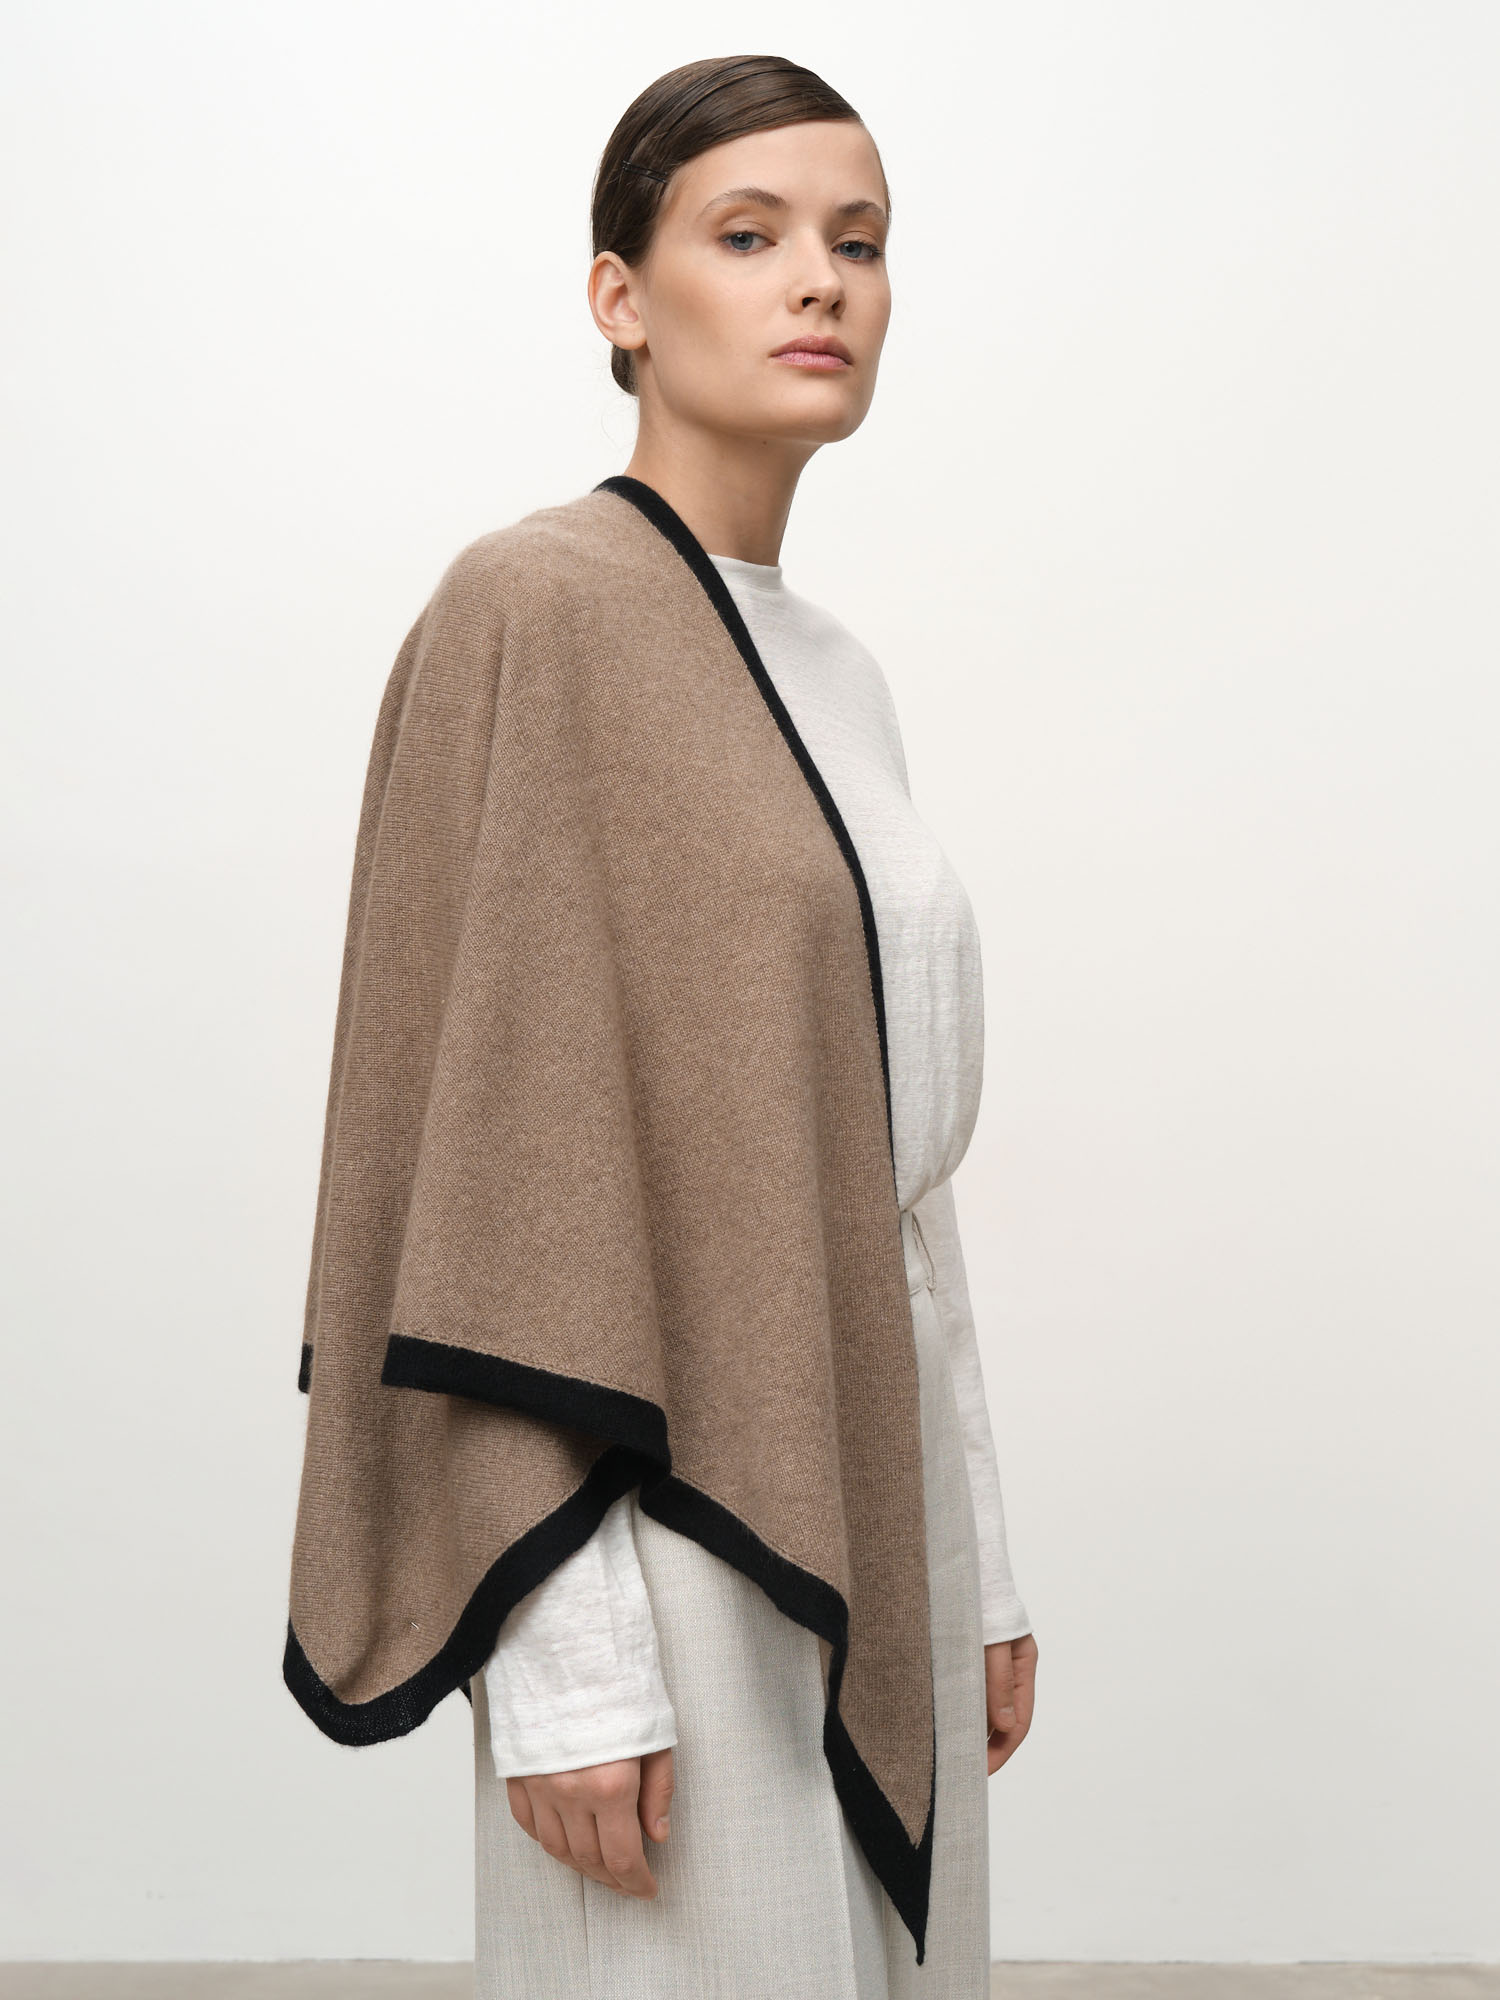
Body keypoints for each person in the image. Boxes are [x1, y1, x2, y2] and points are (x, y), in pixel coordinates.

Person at [285, 52, 1038, 2000]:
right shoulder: (529, 606)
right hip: (652, 1529)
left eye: (860, 240)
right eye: (750, 234)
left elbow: (891, 1169)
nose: (822, 281)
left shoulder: (844, 675)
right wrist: (564, 1665)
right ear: (620, 296)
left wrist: (979, 1562)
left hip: (872, 1472)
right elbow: (474, 1165)